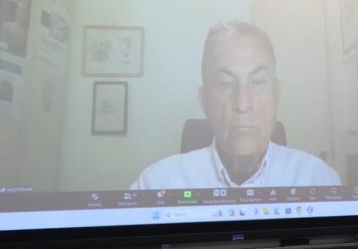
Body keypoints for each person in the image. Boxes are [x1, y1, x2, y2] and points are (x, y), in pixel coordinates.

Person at [131, 20, 341, 189]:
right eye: (225, 83)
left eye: (257, 82)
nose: (242, 103)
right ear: (204, 100)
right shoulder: (157, 184)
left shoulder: (317, 180)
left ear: (276, 95)